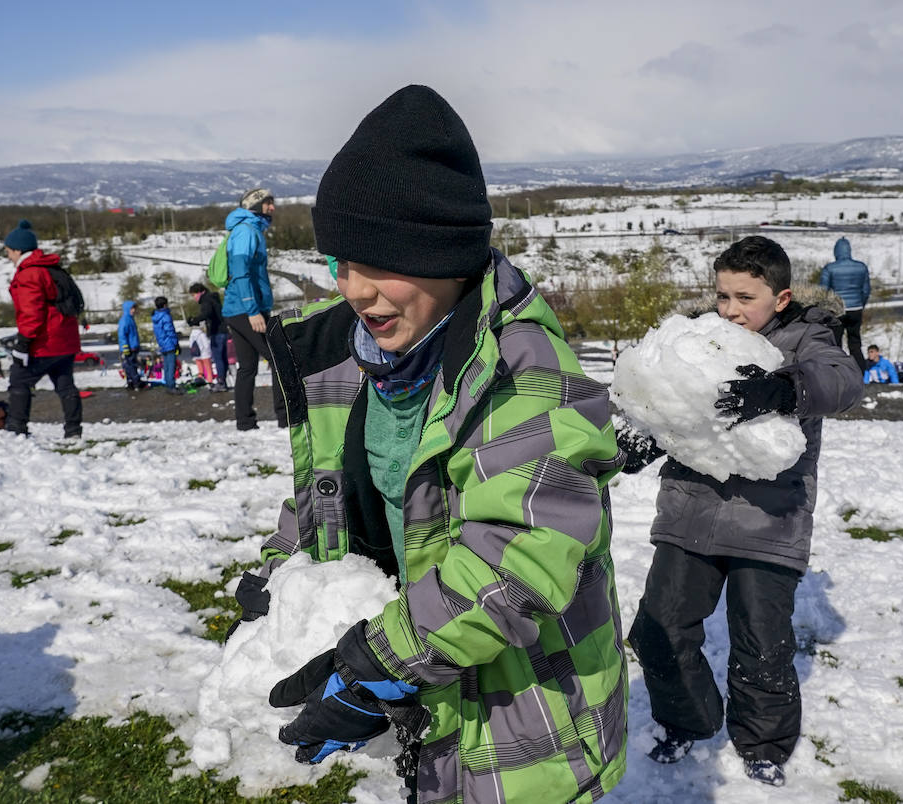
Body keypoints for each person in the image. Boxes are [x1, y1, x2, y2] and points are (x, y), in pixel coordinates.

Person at [240, 85, 628, 803]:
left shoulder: (524, 371)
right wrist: (281, 568)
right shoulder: (343, 357)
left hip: (521, 720)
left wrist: (376, 662)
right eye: (340, 263)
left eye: (379, 261)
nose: (355, 290)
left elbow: (519, 560)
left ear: (445, 255)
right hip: (427, 697)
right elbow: (334, 487)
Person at [624, 236, 862, 787]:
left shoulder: (807, 336)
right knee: (659, 629)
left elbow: (842, 380)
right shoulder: (704, 338)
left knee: (761, 640)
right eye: (722, 295)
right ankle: (688, 717)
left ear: (780, 299)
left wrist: (782, 389)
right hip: (690, 511)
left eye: (743, 297)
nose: (729, 309)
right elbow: (676, 403)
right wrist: (644, 435)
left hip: (768, 520)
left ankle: (763, 742)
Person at [3, 220, 82, 438]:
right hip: (65, 340)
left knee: (18, 381)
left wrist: (23, 343)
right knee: (66, 386)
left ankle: (16, 429)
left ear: (18, 250)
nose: (9, 256)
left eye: (9, 251)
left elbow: (32, 313)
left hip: (45, 342)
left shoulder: (29, 273)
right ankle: (73, 431)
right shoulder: (51, 267)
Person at [221, 188, 287, 430]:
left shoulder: (250, 229)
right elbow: (240, 272)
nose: (272, 207)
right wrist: (252, 310)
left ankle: (245, 422)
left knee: (247, 367)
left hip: (238, 308)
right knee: (280, 358)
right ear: (255, 205)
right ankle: (286, 418)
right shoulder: (246, 231)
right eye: (268, 203)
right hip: (246, 308)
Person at [819, 236, 871, 371]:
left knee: (836, 343)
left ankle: (838, 371)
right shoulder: (861, 267)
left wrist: (825, 310)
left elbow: (823, 291)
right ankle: (861, 374)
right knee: (855, 342)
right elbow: (866, 290)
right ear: (849, 250)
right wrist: (860, 305)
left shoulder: (829, 268)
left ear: (836, 251)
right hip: (856, 309)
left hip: (837, 310)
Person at [186, 282, 228, 390]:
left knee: (218, 358)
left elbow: (207, 313)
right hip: (222, 330)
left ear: (201, 292)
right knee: (222, 357)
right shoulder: (213, 298)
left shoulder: (206, 300)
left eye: (194, 295)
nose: (194, 298)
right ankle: (223, 381)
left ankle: (221, 382)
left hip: (217, 331)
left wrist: (194, 320)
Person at [151, 296, 180, 392]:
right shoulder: (166, 316)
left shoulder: (155, 317)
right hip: (169, 343)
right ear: (165, 305)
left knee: (166, 366)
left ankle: (168, 384)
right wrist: (176, 343)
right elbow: (170, 331)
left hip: (162, 344)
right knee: (171, 365)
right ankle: (171, 385)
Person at [117, 300, 144, 390]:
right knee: (131, 366)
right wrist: (125, 348)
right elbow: (122, 335)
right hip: (129, 348)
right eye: (132, 308)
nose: (134, 310)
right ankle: (136, 383)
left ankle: (131, 383)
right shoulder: (125, 320)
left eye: (134, 308)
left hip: (133, 347)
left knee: (131, 366)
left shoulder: (130, 319)